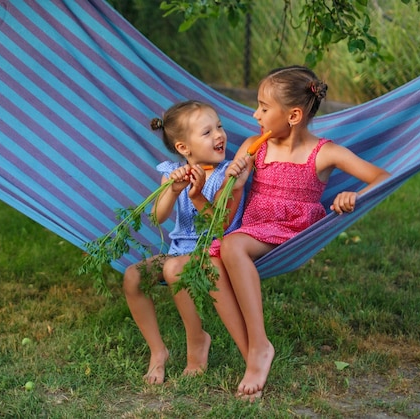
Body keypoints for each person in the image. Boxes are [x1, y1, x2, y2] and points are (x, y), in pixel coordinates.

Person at [165, 66, 391, 400]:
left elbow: (382, 177)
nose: (255, 114)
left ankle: (259, 343)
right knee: (215, 261)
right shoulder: (254, 149)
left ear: (294, 115)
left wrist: (353, 195)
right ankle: (252, 356)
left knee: (231, 248)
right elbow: (222, 221)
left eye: (263, 108)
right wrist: (237, 186)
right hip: (249, 230)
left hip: (292, 235)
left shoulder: (325, 152)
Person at [122, 100, 245, 385]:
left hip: (213, 252)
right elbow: (157, 217)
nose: (219, 135)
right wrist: (173, 189)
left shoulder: (229, 175)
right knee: (133, 278)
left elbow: (217, 226)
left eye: (219, 127)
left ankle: (197, 340)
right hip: (179, 252)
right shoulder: (174, 172)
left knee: (174, 269)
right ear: (183, 148)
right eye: (207, 132)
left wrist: (197, 194)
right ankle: (158, 351)